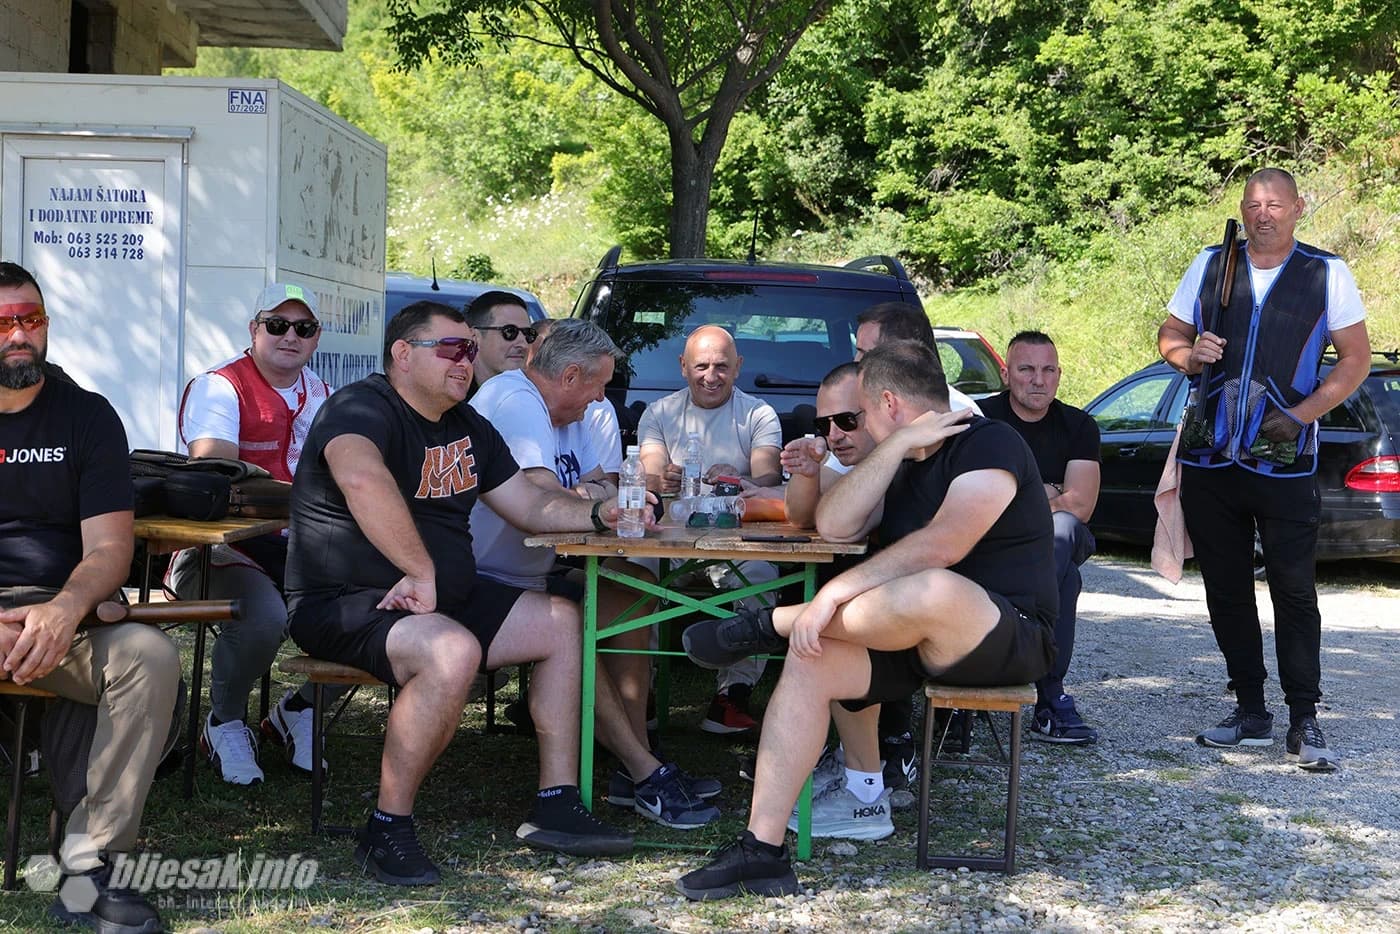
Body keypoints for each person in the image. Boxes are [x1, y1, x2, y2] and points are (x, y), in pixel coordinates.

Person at [676, 339, 1056, 899]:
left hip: (1007, 633)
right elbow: (833, 527)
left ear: (888, 401)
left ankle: (769, 626)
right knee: (813, 659)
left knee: (934, 586)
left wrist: (833, 597)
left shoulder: (990, 442)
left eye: (859, 415)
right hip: (913, 638)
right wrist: (896, 444)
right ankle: (762, 850)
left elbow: (943, 545)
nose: (842, 433)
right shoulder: (899, 459)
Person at [284, 301, 639, 886]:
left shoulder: (467, 425)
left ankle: (556, 802)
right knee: (452, 652)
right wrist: (421, 570)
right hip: (347, 600)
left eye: (469, 349)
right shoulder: (358, 407)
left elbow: (528, 505)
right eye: (450, 349)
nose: (465, 360)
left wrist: (602, 512)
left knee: (560, 620)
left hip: (437, 599)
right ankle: (387, 826)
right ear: (403, 354)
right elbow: (361, 479)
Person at [469, 317, 720, 828]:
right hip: (479, 577)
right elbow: (544, 494)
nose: (603, 397)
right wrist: (593, 496)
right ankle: (645, 769)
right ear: (569, 377)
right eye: (599, 384)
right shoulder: (516, 399)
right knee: (569, 621)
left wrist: (593, 495)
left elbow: (601, 485)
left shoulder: (570, 414)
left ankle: (635, 765)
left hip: (531, 572)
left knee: (631, 590)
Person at [1158, 167, 1370, 772]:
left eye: (1275, 204)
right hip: (1210, 455)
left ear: (1298, 208)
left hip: (1283, 459)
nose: (1263, 213)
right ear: (1243, 209)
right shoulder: (1209, 264)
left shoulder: (1325, 272)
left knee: (1294, 591)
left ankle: (1304, 718)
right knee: (1225, 591)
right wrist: (1186, 354)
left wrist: (1303, 414)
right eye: (1253, 204)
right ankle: (1250, 709)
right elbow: (1170, 335)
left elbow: (1353, 360)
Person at [0, 261, 179, 933]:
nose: (20, 336)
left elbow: (109, 548)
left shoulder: (86, 416)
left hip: (61, 620)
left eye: (31, 319)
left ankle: (94, 862)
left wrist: (64, 609)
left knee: (147, 657)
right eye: (4, 322)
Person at [172, 282, 343, 785]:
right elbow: (213, 462)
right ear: (254, 329)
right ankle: (222, 720)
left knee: (375, 601)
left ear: (315, 338)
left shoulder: (323, 394)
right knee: (263, 616)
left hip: (300, 546)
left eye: (304, 328)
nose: (290, 335)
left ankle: (299, 708)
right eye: (277, 324)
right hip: (217, 549)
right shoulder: (219, 385)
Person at [637, 325, 783, 734]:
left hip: (733, 539)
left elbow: (769, 476)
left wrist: (737, 478)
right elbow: (648, 470)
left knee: (759, 574)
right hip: (668, 539)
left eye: (722, 366)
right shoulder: (660, 412)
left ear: (738, 368)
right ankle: (637, 690)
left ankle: (731, 698)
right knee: (631, 571)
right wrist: (660, 478)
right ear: (683, 367)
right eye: (701, 366)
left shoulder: (757, 414)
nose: (711, 376)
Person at [980, 331, 1101, 744]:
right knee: (1066, 580)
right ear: (1006, 373)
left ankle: (1007, 647)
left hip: (1054, 538)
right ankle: (1050, 697)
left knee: (1064, 530)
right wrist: (1047, 493)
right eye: (1027, 369)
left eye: (1048, 370)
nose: (1038, 379)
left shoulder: (1079, 425)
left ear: (1059, 376)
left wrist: (1014, 497)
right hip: (992, 540)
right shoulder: (981, 420)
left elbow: (1080, 507)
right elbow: (965, 499)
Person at [464, 290, 537, 394]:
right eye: (510, 332)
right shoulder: (450, 400)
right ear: (474, 336)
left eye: (528, 333)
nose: (523, 345)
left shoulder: (536, 395)